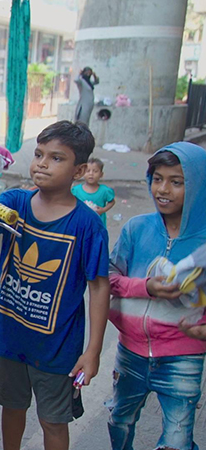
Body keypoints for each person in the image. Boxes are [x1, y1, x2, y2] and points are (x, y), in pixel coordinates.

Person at [0, 120, 110, 450]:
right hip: (10, 336)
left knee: (52, 422)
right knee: (12, 407)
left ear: (79, 170)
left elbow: (99, 287)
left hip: (58, 350)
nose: (42, 163)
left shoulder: (88, 225)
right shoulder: (15, 202)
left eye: (56, 158)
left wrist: (94, 350)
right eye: (39, 154)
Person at [106, 143, 206, 450]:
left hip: (183, 357)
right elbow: (107, 277)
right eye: (157, 178)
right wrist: (145, 287)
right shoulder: (136, 229)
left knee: (177, 438)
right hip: (131, 353)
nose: (163, 189)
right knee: (119, 421)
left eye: (176, 181)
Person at [71, 157, 115, 226]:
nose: (91, 174)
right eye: (88, 171)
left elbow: (111, 202)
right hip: (80, 223)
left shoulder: (105, 191)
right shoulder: (76, 190)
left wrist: (103, 210)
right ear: (82, 173)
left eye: (95, 171)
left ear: (101, 174)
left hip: (98, 224)